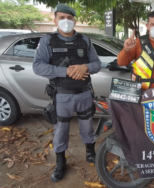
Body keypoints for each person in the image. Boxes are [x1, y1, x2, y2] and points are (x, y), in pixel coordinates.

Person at [33, 4, 101, 182]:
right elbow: (38, 66)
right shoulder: (48, 41)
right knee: (61, 129)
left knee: (87, 126)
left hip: (84, 93)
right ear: (55, 20)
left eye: (69, 18)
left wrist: (85, 66)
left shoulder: (85, 41)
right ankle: (60, 162)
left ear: (75, 21)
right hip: (62, 94)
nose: (66, 21)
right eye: (62, 17)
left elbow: (97, 64)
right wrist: (66, 72)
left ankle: (90, 152)